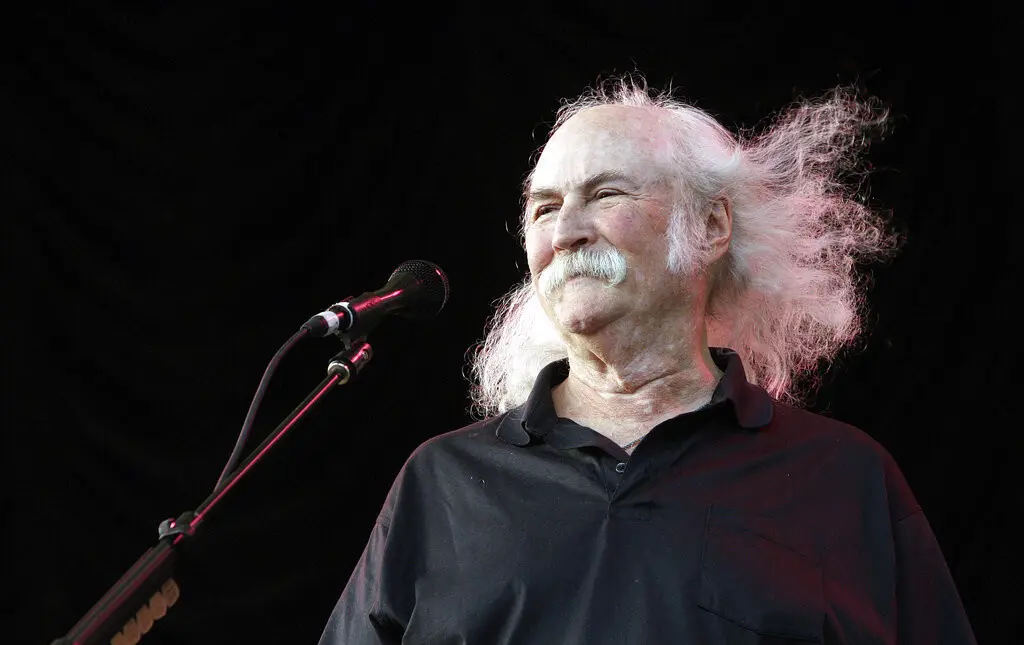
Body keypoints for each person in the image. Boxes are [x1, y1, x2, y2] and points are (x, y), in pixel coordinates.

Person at [317, 77, 977, 644]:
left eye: (606, 195)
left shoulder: (843, 478)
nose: (567, 230)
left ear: (712, 226)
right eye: (544, 207)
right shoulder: (443, 482)